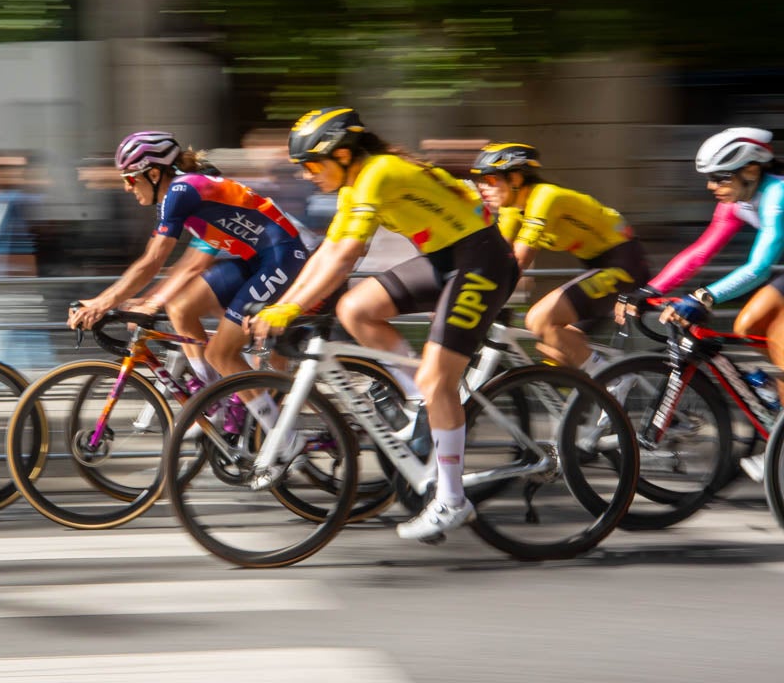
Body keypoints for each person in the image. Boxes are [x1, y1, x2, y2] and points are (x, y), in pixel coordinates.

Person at [249, 107, 519, 542]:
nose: (306, 176)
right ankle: (420, 406)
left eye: (313, 165)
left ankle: (451, 501)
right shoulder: (356, 184)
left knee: (438, 379)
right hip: (446, 259)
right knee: (354, 309)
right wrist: (284, 303)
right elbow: (325, 252)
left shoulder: (378, 174)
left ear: (341, 155)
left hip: (482, 261)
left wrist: (290, 310)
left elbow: (344, 256)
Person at [66, 131, 311, 439]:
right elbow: (179, 264)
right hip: (256, 259)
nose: (128, 188)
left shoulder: (184, 190)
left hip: (281, 256)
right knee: (181, 306)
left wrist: (103, 302)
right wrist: (146, 301)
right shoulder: (178, 198)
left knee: (221, 353)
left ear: (153, 173)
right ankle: (216, 398)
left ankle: (284, 440)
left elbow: (154, 260)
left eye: (130, 179)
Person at [622, 128, 783, 481]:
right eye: (709, 178)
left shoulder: (777, 195)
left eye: (720, 177)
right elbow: (700, 251)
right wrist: (649, 289)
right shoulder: (736, 201)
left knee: (780, 338)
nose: (712, 186)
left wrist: (703, 297)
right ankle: (778, 402)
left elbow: (759, 266)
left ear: (751, 171)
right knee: (747, 326)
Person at [470, 143, 650, 371]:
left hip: (624, 264)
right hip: (597, 266)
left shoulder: (545, 198)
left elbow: (518, 262)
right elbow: (499, 255)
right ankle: (589, 400)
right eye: (480, 181)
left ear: (515, 178)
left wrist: (477, 304)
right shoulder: (512, 207)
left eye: (491, 180)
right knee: (556, 352)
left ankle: (613, 381)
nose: (483, 187)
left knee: (539, 320)